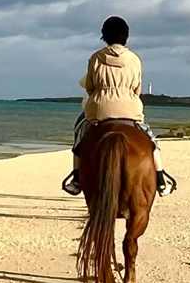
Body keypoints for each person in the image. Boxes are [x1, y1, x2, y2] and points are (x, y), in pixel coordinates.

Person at [61, 16, 175, 197]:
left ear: (104, 36)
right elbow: (137, 88)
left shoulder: (95, 58)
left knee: (79, 139)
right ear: (126, 37)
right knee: (151, 142)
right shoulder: (135, 60)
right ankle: (161, 179)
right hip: (130, 109)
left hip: (99, 110)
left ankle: (76, 179)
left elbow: (90, 86)